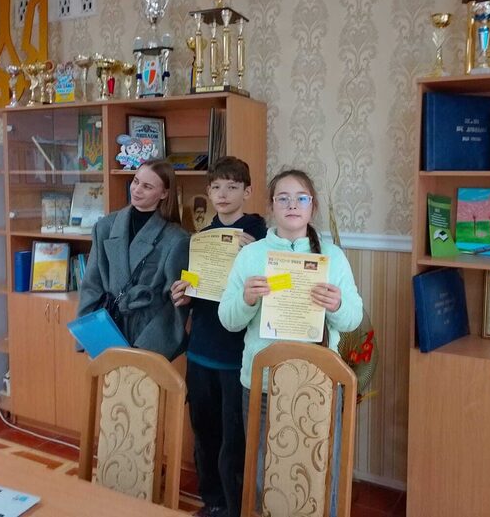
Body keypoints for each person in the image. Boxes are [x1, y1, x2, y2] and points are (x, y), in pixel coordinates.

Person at [218, 168, 363, 516]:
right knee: (263, 473)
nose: (292, 205)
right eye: (283, 198)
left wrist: (337, 305)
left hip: (319, 385)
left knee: (321, 473)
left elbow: (353, 319)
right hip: (263, 385)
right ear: (271, 206)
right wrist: (247, 300)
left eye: (301, 198)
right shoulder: (252, 256)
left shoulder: (333, 256)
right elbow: (228, 320)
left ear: (312, 206)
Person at [171, 157, 267, 517]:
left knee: (235, 438)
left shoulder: (261, 238)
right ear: (208, 192)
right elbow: (195, 289)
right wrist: (183, 293)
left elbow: (272, 293)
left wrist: (254, 255)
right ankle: (211, 501)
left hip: (236, 356)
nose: (223, 194)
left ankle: (235, 506)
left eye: (232, 186)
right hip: (201, 350)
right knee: (204, 431)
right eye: (215, 187)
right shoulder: (202, 239)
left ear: (247, 191)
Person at [77, 159, 190, 360]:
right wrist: (87, 334)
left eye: (147, 186)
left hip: (148, 335)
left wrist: (147, 347)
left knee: (140, 380)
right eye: (136, 181)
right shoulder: (105, 226)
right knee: (107, 380)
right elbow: (91, 285)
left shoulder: (176, 238)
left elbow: (176, 302)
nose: (137, 190)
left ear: (164, 193)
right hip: (106, 327)